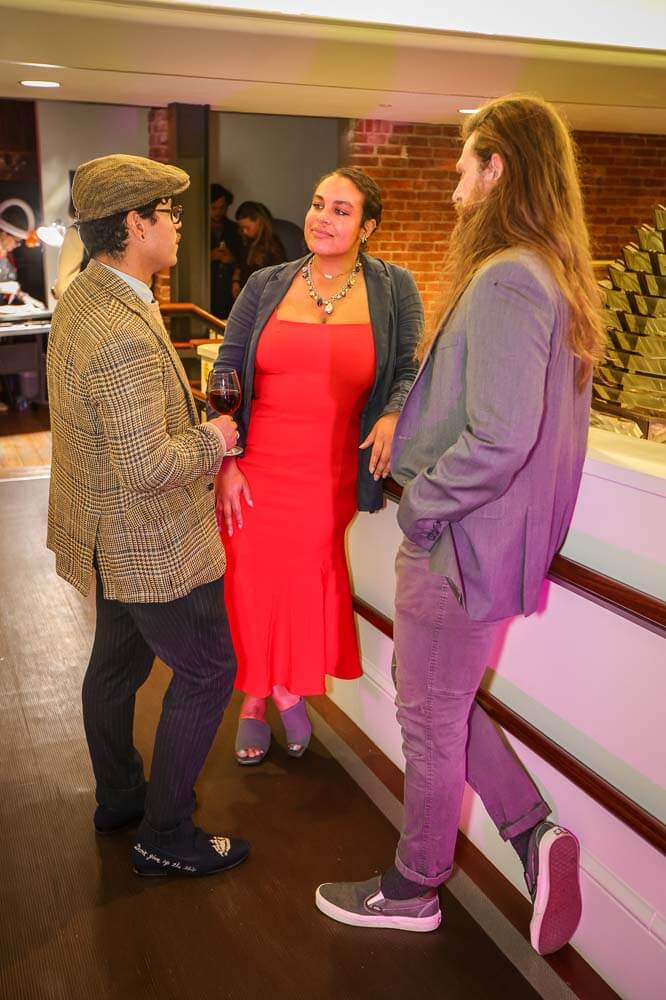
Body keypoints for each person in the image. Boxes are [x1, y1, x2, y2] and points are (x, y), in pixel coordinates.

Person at [315, 96, 605, 955]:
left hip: (459, 546)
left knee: (429, 724)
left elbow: (502, 437)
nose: (454, 192)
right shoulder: (549, 274)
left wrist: (423, 508)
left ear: (498, 167)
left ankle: (414, 888)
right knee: (432, 696)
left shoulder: (510, 276)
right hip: (487, 549)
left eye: (463, 170)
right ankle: (531, 831)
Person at [46, 153, 250, 878]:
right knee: (208, 671)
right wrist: (216, 438)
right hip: (152, 541)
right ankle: (166, 834)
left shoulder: (85, 294)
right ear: (135, 225)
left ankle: (121, 798)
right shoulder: (124, 330)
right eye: (168, 214)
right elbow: (148, 464)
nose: (178, 226)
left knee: (116, 665)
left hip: (107, 533)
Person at [213, 167, 423, 765]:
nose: (321, 218)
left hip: (328, 469)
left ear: (367, 227)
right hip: (256, 463)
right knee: (252, 580)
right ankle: (262, 696)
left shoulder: (394, 287)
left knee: (304, 577)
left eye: (340, 210)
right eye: (316, 204)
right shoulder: (266, 283)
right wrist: (227, 461)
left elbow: (408, 367)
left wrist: (394, 412)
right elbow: (227, 371)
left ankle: (283, 686)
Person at [231, 201, 287, 296]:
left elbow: (279, 277)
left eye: (247, 228)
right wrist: (236, 281)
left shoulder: (272, 246)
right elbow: (240, 265)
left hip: (262, 296)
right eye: (242, 228)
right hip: (246, 294)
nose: (244, 232)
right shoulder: (245, 242)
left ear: (259, 221)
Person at [210, 183, 243, 318]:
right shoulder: (198, 228)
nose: (218, 212)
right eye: (214, 208)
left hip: (229, 290)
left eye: (222, 208)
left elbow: (245, 259)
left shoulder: (235, 229)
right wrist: (209, 257)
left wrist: (231, 259)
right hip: (207, 289)